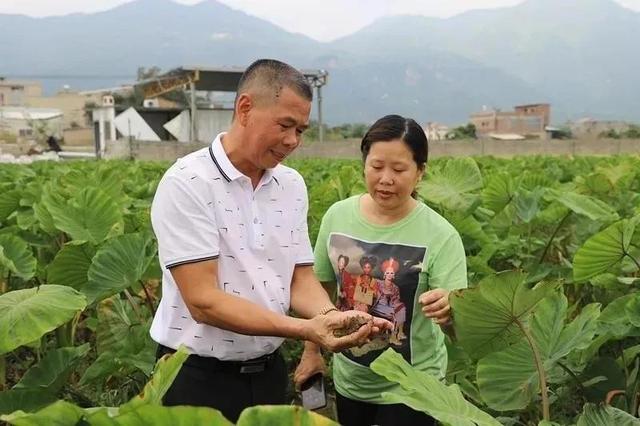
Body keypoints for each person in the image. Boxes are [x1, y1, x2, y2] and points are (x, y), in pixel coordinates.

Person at [149, 59, 391, 422]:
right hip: (194, 378)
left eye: (302, 129)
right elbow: (203, 301)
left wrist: (333, 319)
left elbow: (299, 278)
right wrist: (305, 329)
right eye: (285, 125)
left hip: (267, 376)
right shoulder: (188, 182)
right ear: (245, 108)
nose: (293, 140)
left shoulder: (290, 185)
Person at [294, 115, 468, 426]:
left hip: (415, 387)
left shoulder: (441, 235)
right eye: (376, 167)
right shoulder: (337, 217)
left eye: (399, 169)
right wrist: (311, 352)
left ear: (420, 172)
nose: (385, 178)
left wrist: (451, 310)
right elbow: (320, 291)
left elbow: (459, 330)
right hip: (351, 380)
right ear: (364, 165)